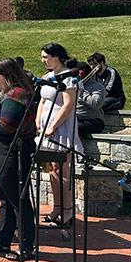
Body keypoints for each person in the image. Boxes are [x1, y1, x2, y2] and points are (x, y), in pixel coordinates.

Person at [0, 58, 37, 260]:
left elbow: (6, 126)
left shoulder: (17, 95)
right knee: (5, 199)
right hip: (3, 152)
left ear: (8, 77)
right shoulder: (10, 94)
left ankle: (27, 246)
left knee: (17, 200)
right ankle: (3, 240)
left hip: (13, 153)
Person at [38, 43, 83, 227]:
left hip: (61, 128)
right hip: (45, 129)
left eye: (45, 56)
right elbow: (42, 99)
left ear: (56, 56)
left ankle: (68, 211)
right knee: (52, 171)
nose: (43, 60)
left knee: (63, 172)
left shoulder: (69, 78)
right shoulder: (48, 76)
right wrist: (38, 122)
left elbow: (68, 104)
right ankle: (57, 207)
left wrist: (54, 126)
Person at [76, 61, 106, 136]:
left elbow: (96, 104)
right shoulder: (70, 86)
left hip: (92, 120)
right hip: (74, 119)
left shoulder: (97, 87)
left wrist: (82, 91)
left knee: (76, 127)